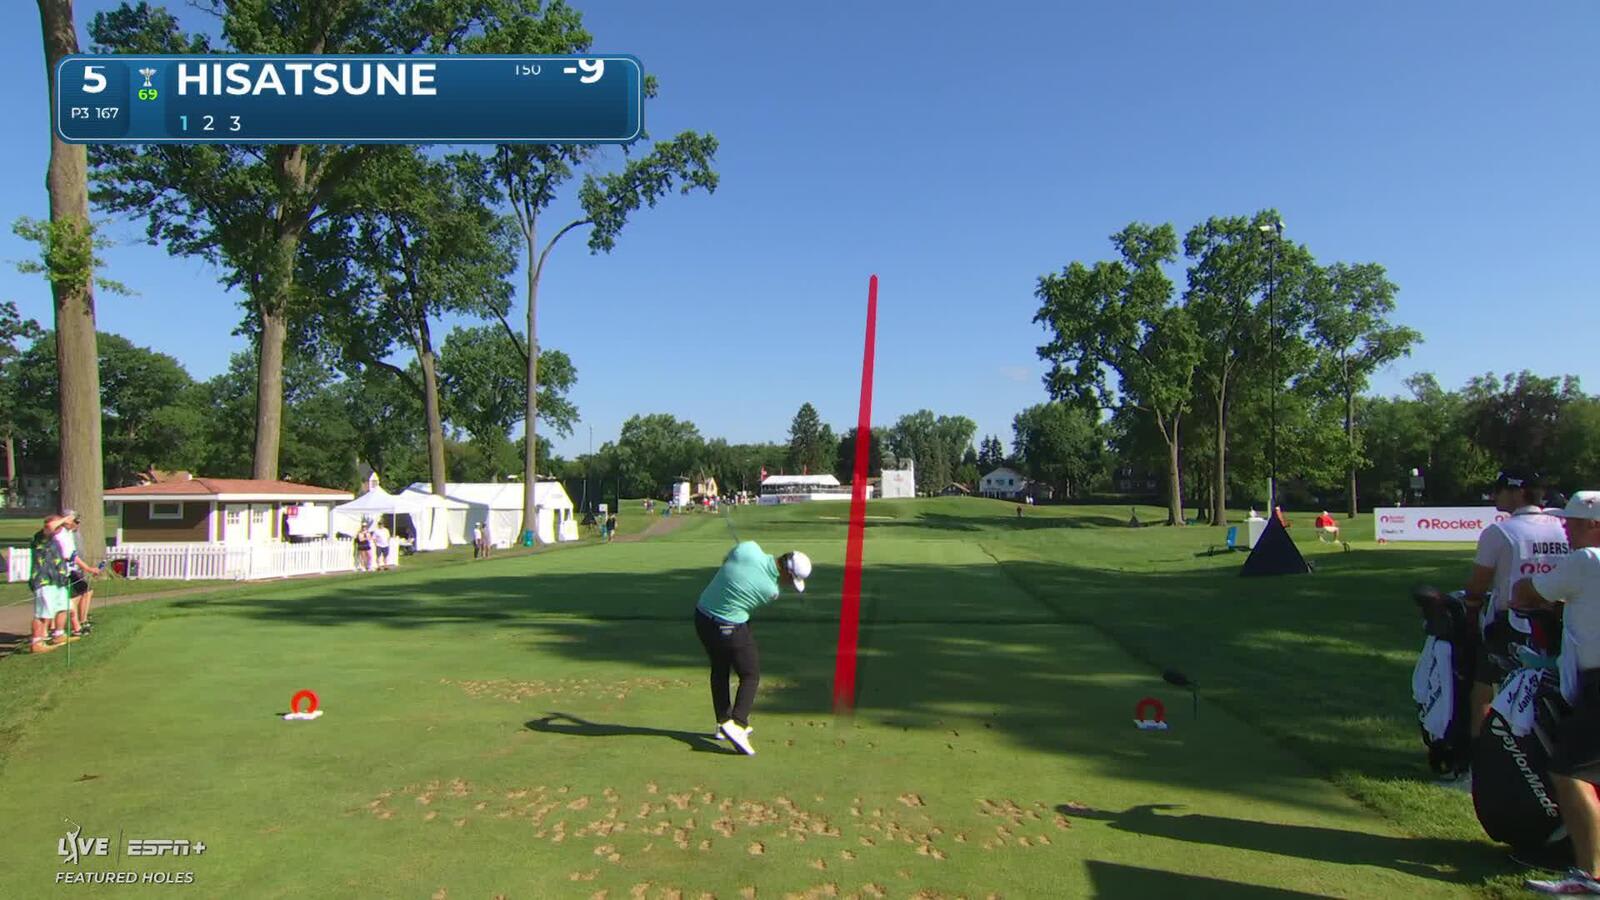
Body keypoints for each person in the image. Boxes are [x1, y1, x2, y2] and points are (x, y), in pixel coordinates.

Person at [1509, 491, 1600, 895]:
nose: (1567, 528)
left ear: (1595, 525)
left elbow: (1525, 593)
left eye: (1575, 522)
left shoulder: (1585, 561)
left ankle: (1590, 875)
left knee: (1570, 771)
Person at [1464, 470, 1571, 738]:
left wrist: (1471, 605)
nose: (1495, 495)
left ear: (1517, 492)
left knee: (1484, 692)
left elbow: (1478, 584)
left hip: (1511, 624)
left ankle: (1482, 761)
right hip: (1558, 621)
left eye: (1500, 490)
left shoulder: (1499, 532)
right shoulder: (1562, 526)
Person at [693, 541, 812, 755]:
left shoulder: (747, 548)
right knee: (750, 674)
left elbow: (727, 561)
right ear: (785, 570)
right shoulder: (771, 591)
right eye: (791, 580)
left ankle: (723, 723)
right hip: (728, 626)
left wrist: (740, 561)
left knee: (720, 668)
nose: (788, 585)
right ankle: (737, 725)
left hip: (702, 616)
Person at [28, 515, 74, 651]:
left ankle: (59, 634)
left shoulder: (55, 539)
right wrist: (65, 518)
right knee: (42, 613)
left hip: (58, 580)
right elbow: (49, 527)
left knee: (63, 607)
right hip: (44, 580)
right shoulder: (41, 537)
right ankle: (37, 642)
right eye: (58, 525)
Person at [56, 510, 104, 636]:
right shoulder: (60, 533)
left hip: (73, 568)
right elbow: (69, 555)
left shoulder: (70, 533)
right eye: (75, 521)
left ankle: (80, 622)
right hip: (64, 570)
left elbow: (75, 555)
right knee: (73, 597)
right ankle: (66, 628)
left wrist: (87, 568)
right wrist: (87, 568)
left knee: (85, 591)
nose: (77, 524)